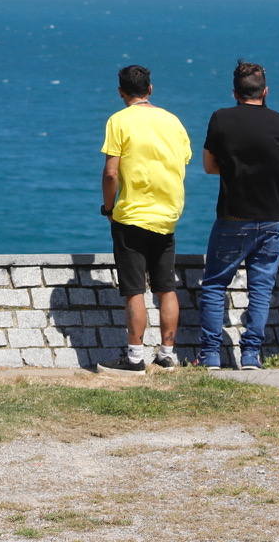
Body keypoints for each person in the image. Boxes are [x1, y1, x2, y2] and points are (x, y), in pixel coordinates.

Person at [198, 60, 279, 370]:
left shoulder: (221, 119)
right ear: (265, 91)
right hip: (271, 219)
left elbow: (209, 166)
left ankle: (211, 355)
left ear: (234, 92)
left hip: (233, 217)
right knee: (261, 289)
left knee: (214, 284)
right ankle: (251, 354)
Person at [97, 65, 192, 373]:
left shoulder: (119, 121)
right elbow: (184, 160)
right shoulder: (173, 121)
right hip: (167, 216)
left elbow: (111, 172)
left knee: (134, 290)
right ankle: (167, 354)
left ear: (121, 92)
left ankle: (135, 356)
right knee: (166, 287)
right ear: (150, 89)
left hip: (131, 216)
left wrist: (108, 207)